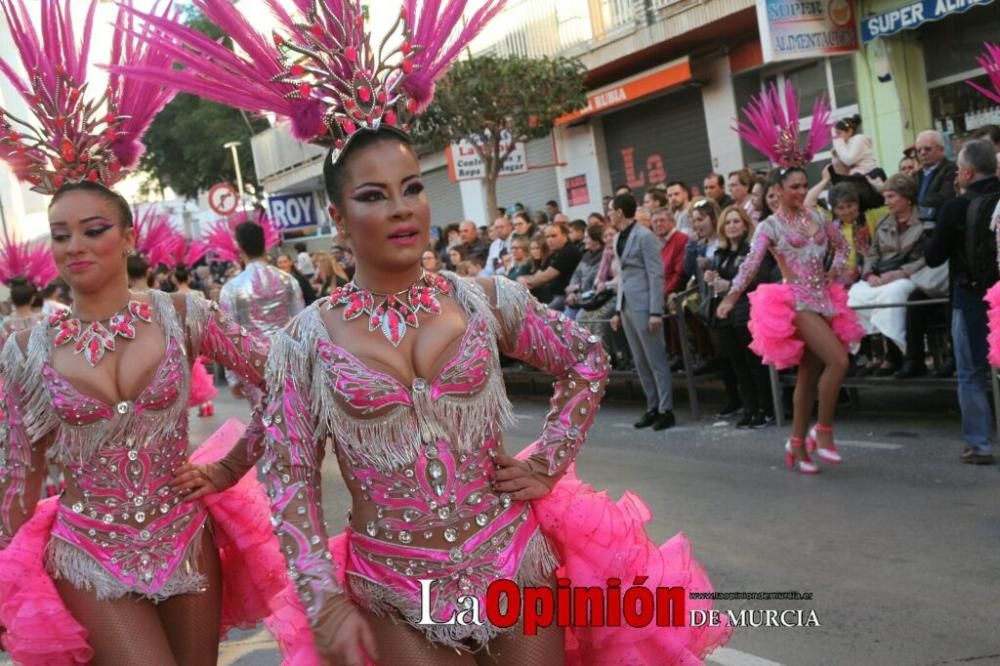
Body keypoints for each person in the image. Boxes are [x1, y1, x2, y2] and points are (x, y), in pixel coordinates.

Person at [0, 3, 294, 659]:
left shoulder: (181, 314)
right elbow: (21, 467)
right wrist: (5, 571)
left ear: (128, 237)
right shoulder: (27, 346)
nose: (76, 245)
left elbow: (280, 382)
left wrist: (226, 468)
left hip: (185, 534)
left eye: (94, 229)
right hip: (85, 549)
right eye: (61, 235)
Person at [718, 168, 864, 472]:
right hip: (795, 301)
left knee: (809, 375)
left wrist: (834, 270)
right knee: (838, 361)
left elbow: (843, 247)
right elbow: (750, 264)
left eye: (804, 185)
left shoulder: (819, 217)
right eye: (793, 187)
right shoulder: (769, 227)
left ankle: (797, 445)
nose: (800, 191)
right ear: (778, 190)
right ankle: (822, 432)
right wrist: (731, 296)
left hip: (823, 299)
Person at [927, 140, 1000, 465]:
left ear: (967, 172)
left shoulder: (956, 206)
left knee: (970, 372)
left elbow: (932, 257)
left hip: (971, 297)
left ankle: (980, 445)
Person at [848, 173, 925, 375]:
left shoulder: (924, 220)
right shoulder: (884, 222)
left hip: (910, 276)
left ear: (906, 197)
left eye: (891, 196)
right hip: (882, 275)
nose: (886, 202)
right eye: (885, 197)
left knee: (893, 295)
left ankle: (900, 352)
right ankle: (877, 353)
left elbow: (927, 257)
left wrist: (901, 273)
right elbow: (872, 254)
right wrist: (868, 276)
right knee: (856, 293)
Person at [609, 194, 675, 430]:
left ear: (619, 211)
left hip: (646, 305)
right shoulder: (618, 237)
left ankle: (667, 409)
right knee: (640, 360)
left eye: (611, 210)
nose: (609, 214)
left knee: (656, 359)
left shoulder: (645, 236)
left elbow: (656, 274)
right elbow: (622, 277)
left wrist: (656, 310)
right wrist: (617, 309)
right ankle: (652, 406)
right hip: (627, 304)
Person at [706, 206, 775, 427]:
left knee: (754, 363)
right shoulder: (720, 254)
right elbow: (719, 287)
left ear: (745, 225)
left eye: (736, 221)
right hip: (726, 316)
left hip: (748, 311)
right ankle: (750, 408)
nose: (732, 226)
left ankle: (765, 409)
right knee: (738, 365)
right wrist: (713, 280)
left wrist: (732, 285)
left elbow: (761, 277)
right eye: (728, 222)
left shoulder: (752, 249)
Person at [218, 221, 304, 400]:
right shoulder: (288, 280)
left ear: (239, 247)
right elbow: (302, 324)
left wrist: (233, 377)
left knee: (265, 419)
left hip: (254, 366)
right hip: (289, 361)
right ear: (264, 244)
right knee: (295, 419)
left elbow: (228, 335)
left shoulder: (231, 289)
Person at [517, 221, 581, 311]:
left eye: (554, 236)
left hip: (565, 296)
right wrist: (522, 279)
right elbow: (538, 275)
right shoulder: (553, 254)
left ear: (564, 235)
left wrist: (524, 282)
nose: (550, 240)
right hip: (553, 295)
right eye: (547, 237)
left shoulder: (568, 252)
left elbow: (545, 278)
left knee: (541, 315)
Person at [914, 130, 958, 223]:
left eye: (927, 149)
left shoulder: (951, 169)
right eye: (918, 150)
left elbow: (944, 197)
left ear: (941, 149)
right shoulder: (916, 174)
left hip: (940, 222)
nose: (922, 153)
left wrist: (915, 207)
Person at [563, 224, 605, 319]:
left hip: (594, 299)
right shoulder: (586, 255)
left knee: (580, 319)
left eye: (587, 238)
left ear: (596, 239)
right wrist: (571, 293)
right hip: (578, 296)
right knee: (564, 320)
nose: (584, 240)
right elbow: (576, 275)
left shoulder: (603, 256)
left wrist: (576, 288)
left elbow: (593, 281)